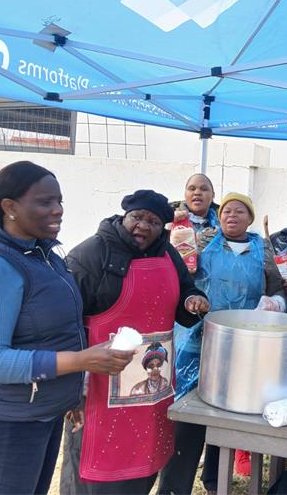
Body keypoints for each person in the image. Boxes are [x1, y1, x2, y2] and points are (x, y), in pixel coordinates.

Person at [0, 161, 135, 495]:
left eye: (59, 201)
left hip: (41, 409)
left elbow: (51, 333)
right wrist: (82, 362)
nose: (58, 210)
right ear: (9, 207)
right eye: (45, 202)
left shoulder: (42, 254)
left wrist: (68, 393)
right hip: (8, 419)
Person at [59, 189, 209, 495]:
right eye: (137, 217)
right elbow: (63, 324)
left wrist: (194, 300)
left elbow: (185, 289)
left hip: (152, 390)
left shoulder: (168, 254)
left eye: (153, 222)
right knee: (96, 477)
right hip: (101, 389)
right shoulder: (89, 255)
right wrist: (72, 389)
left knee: (143, 466)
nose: (143, 226)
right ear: (124, 216)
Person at [159, 192, 287, 495]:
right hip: (198, 339)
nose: (232, 215)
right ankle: (175, 486)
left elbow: (280, 288)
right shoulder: (203, 240)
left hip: (243, 342)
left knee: (228, 412)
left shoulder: (263, 250)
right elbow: (182, 267)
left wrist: (277, 302)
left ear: (250, 218)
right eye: (227, 210)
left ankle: (217, 482)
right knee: (188, 415)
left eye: (240, 211)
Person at [171, 173, 220, 256]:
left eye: (204, 189)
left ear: (213, 195)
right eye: (192, 189)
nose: (197, 193)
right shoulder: (167, 217)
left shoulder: (224, 222)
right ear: (185, 194)